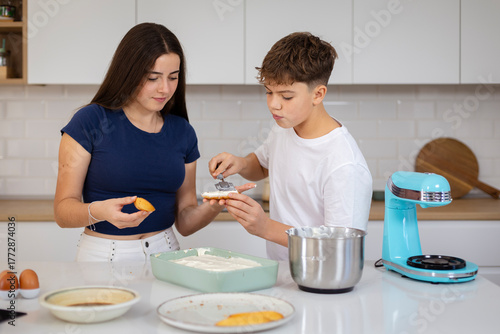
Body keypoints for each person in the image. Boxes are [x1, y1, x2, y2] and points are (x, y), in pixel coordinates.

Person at [54, 23, 253, 262]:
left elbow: (185, 221)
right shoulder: (89, 122)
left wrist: (215, 204)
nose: (165, 89)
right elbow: (62, 212)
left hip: (167, 254)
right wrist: (98, 212)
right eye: (153, 78)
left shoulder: (182, 132)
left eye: (173, 77)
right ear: (128, 73)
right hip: (104, 256)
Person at [208, 32, 373, 261]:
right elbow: (265, 166)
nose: (274, 105)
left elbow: (338, 249)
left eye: (286, 96)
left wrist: (265, 227)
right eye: (269, 92)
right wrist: (241, 163)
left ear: (318, 94)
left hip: (323, 284)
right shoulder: (284, 128)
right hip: (283, 272)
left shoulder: (344, 164)